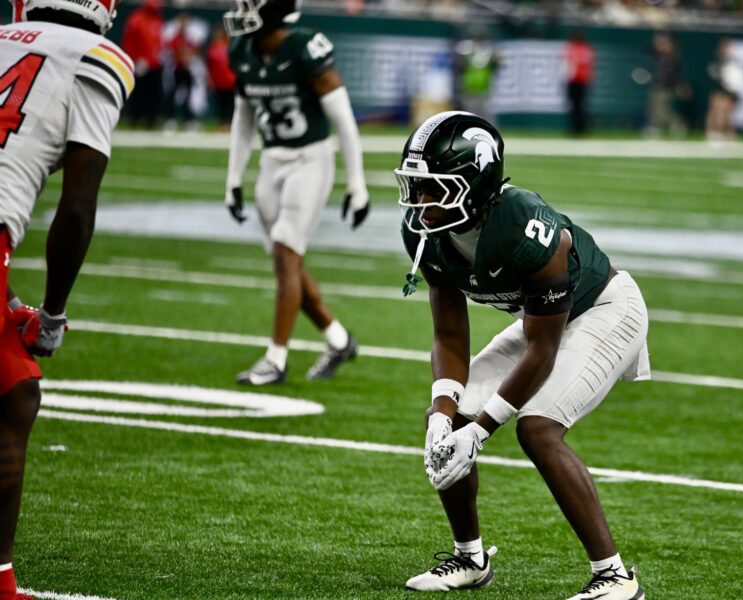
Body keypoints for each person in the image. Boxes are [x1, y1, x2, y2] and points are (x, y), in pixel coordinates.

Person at [396, 111, 650, 600]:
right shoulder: (424, 232)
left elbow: (542, 349)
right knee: (445, 419)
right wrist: (446, 414)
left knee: (537, 428)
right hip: (543, 321)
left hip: (604, 309)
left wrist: (481, 430)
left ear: (476, 184)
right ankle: (470, 559)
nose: (421, 201)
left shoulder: (525, 224)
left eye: (435, 188)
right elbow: (449, 334)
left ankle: (616, 577)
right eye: (417, 185)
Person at [0, 0, 132, 597]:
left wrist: (8, 301)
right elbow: (76, 208)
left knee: (14, 393)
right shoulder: (97, 56)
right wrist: (52, 315)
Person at [223, 0, 369, 385]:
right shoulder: (242, 50)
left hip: (310, 160)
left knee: (287, 253)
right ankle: (338, 339)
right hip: (272, 161)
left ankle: (276, 358)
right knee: (285, 260)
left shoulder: (305, 48)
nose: (242, 11)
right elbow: (244, 117)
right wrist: (233, 178)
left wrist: (356, 183)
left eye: (250, 4)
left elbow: (343, 119)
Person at [120, 0, 163, 129]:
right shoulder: (136, 19)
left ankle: (151, 120)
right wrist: (135, 59)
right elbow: (128, 41)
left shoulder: (158, 20)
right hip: (140, 64)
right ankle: (135, 119)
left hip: (155, 64)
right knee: (138, 93)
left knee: (154, 93)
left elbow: (159, 41)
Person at [644, 32, 689, 137]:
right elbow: (650, 48)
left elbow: (673, 75)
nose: (662, 45)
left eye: (666, 43)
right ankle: (654, 127)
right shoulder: (660, 56)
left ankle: (678, 123)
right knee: (653, 108)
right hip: (657, 85)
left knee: (662, 110)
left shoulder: (672, 58)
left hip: (666, 87)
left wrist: (677, 86)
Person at [206, 24, 236, 130]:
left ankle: (231, 123)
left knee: (231, 103)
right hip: (218, 81)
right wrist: (209, 79)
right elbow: (209, 66)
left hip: (230, 80)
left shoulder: (229, 46)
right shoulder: (212, 48)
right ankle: (222, 123)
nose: (217, 35)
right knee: (221, 103)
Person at [564, 30, 594, 136]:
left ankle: (577, 128)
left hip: (576, 81)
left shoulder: (572, 49)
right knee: (579, 106)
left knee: (576, 106)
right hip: (581, 81)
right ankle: (579, 128)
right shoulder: (586, 49)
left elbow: (568, 66)